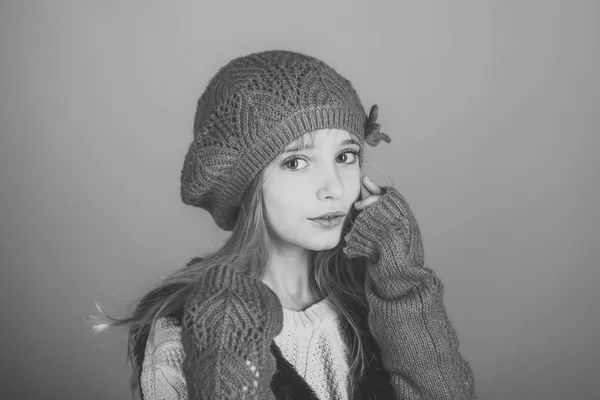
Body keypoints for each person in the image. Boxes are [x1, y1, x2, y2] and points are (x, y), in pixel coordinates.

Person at [90, 49, 476, 400]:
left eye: (346, 155)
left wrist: (401, 282)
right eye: (295, 162)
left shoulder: (372, 299)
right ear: (245, 182)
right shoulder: (186, 327)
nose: (335, 188)